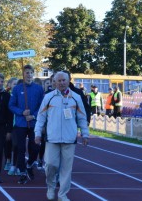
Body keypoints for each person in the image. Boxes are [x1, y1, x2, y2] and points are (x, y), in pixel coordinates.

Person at [34, 71, 89, 201]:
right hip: (52, 138)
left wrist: (85, 134)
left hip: (69, 139)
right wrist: (37, 133)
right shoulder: (49, 97)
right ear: (55, 82)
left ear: (68, 81)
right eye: (59, 81)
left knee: (66, 169)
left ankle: (62, 194)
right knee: (50, 165)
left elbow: (82, 118)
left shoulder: (76, 97)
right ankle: (51, 187)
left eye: (64, 80)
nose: (61, 83)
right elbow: (41, 117)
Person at [9, 64, 44, 184]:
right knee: (20, 148)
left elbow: (42, 106)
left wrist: (33, 115)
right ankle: (22, 172)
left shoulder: (39, 89)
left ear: (33, 74)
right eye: (26, 72)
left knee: (35, 147)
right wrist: (22, 112)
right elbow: (11, 105)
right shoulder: (17, 89)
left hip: (34, 123)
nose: (29, 75)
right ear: (23, 74)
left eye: (31, 73)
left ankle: (29, 164)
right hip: (20, 123)